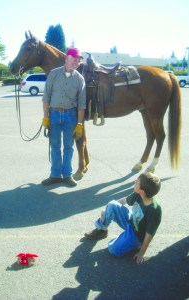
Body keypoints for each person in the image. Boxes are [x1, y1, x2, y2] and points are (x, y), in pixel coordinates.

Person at [84, 172, 162, 264]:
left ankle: (134, 245)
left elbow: (149, 236)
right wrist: (106, 209)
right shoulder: (138, 194)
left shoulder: (154, 210)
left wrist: (141, 253)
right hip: (131, 222)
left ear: (142, 191)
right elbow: (124, 201)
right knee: (112, 204)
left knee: (113, 249)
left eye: (137, 182)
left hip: (138, 236)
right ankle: (101, 230)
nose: (134, 181)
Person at [41, 48, 86, 187]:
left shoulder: (80, 79)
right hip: (53, 115)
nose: (76, 62)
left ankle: (67, 175)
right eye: (74, 59)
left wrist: (79, 124)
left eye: (78, 60)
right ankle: (55, 175)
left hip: (70, 116)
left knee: (68, 147)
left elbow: (81, 104)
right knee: (54, 146)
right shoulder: (53, 74)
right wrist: (46, 117)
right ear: (67, 58)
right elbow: (46, 97)